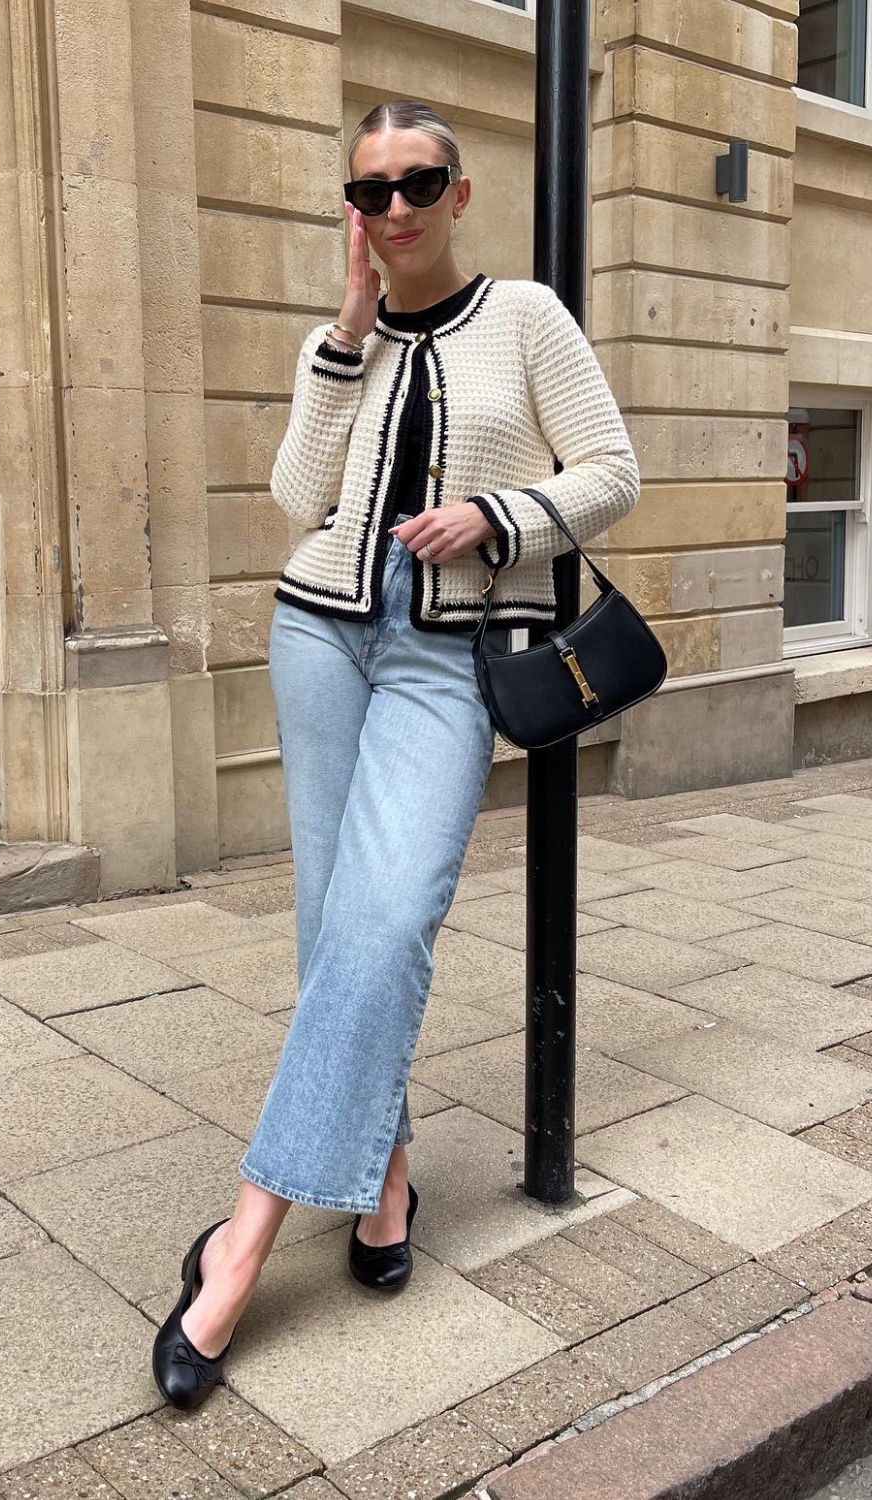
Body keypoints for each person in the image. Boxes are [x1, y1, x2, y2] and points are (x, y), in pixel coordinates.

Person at [152, 98, 639, 1408]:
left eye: (419, 182)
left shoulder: (526, 320)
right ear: (353, 213)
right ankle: (383, 1180)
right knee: (332, 926)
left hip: (446, 660)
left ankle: (241, 1246)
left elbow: (610, 470)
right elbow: (294, 500)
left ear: (458, 192)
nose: (398, 208)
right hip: (319, 639)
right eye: (372, 192)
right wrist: (347, 333)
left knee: (383, 924)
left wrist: (498, 512)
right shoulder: (344, 340)